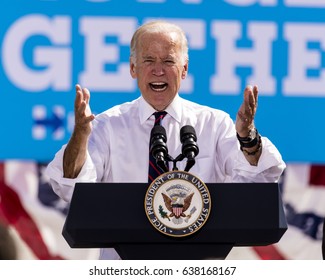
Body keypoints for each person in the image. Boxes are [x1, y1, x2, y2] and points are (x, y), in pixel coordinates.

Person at [45, 20, 286, 259]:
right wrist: (80, 135)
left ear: (184, 69)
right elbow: (70, 186)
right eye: (148, 60)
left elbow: (257, 180)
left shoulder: (214, 123)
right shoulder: (108, 125)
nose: (158, 70)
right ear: (133, 68)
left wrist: (248, 136)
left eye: (168, 61)